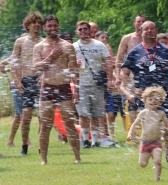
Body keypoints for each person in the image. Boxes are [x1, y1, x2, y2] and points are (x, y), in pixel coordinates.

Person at [121, 20, 168, 163]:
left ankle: (167, 146)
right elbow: (123, 73)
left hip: (164, 94)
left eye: (152, 28)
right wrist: (133, 89)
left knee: (167, 122)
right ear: (140, 32)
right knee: (149, 125)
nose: (149, 31)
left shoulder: (166, 50)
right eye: (146, 29)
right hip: (145, 96)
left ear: (156, 31)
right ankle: (151, 151)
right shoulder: (135, 52)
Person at [33, 14, 80, 164]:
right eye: (50, 26)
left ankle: (77, 158)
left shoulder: (67, 46)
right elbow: (36, 66)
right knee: (45, 125)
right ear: (44, 27)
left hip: (64, 88)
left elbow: (74, 69)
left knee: (70, 125)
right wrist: (50, 57)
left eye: (55, 25)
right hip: (47, 88)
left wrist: (77, 90)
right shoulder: (39, 47)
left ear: (58, 26)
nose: (53, 28)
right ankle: (44, 159)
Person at [73, 21, 115, 148]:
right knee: (84, 114)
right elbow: (68, 66)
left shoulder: (99, 45)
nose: (83, 31)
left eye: (85, 29)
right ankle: (85, 140)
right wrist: (75, 63)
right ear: (77, 32)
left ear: (90, 30)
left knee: (97, 114)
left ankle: (95, 141)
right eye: (80, 29)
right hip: (81, 85)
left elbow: (108, 62)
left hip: (97, 84)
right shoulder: (73, 46)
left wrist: (110, 79)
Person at [8, 12, 44, 155]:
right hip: (27, 81)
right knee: (26, 116)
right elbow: (14, 62)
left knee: (43, 115)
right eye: (34, 22)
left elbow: (48, 62)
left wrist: (45, 76)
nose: (37, 25)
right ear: (27, 25)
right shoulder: (20, 42)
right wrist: (17, 81)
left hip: (41, 81)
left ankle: (43, 144)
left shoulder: (44, 41)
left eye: (39, 22)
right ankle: (24, 145)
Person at [127, 86, 168, 181]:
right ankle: (151, 154)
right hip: (145, 142)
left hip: (156, 142)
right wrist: (130, 134)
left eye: (156, 99)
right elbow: (134, 125)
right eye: (150, 99)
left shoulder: (161, 113)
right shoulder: (143, 113)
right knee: (142, 164)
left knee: (158, 162)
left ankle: (157, 180)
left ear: (160, 102)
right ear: (145, 101)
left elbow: (167, 125)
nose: (153, 101)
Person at [115, 14, 146, 128]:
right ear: (134, 23)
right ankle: (133, 135)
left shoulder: (149, 38)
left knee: (147, 104)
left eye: (143, 21)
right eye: (138, 21)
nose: (141, 23)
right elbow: (119, 58)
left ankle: (148, 133)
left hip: (145, 74)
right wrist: (118, 76)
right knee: (131, 102)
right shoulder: (127, 38)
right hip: (130, 74)